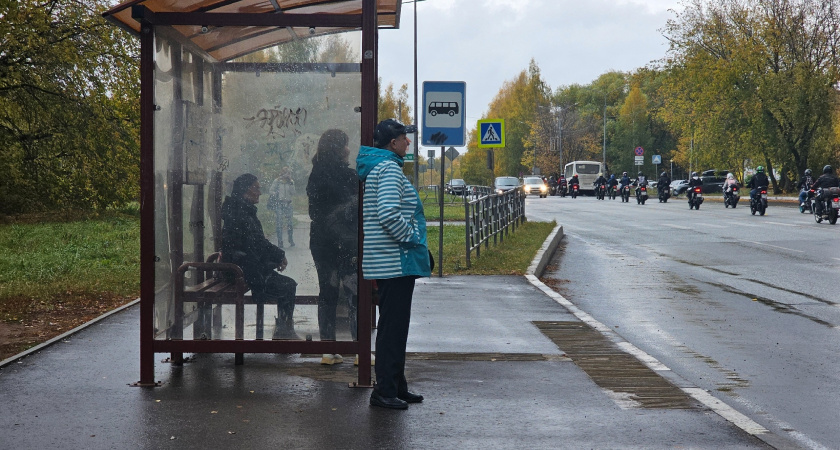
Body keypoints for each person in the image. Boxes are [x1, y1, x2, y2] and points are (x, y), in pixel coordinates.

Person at [357, 119, 430, 410]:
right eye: (404, 138)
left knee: (395, 327)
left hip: (391, 260)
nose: (408, 142)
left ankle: (396, 386)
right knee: (392, 328)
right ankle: (384, 391)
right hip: (395, 261)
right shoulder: (387, 169)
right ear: (392, 143)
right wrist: (412, 238)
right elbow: (388, 213)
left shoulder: (384, 167)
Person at [221, 173, 298, 340]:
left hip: (244, 267)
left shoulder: (240, 209)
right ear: (245, 190)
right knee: (287, 286)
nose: (260, 193)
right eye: (256, 188)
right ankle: (284, 333)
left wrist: (277, 256)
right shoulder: (241, 213)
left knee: (286, 285)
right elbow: (256, 243)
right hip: (242, 270)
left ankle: (284, 330)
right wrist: (279, 255)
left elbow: (256, 243)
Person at [307, 130, 359, 365]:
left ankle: (328, 350)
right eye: (346, 145)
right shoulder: (349, 176)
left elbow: (314, 213)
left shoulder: (315, 174)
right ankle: (361, 349)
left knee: (327, 293)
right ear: (338, 149)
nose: (349, 149)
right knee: (354, 292)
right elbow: (356, 209)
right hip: (346, 242)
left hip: (320, 241)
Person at [268, 167, 295, 248]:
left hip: (288, 203)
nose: (288, 175)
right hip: (279, 204)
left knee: (290, 223)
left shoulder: (291, 182)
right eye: (287, 173)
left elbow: (293, 193)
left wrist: (291, 184)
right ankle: (280, 241)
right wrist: (275, 193)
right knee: (279, 223)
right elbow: (270, 191)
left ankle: (290, 239)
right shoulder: (277, 181)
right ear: (283, 173)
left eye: (289, 173)